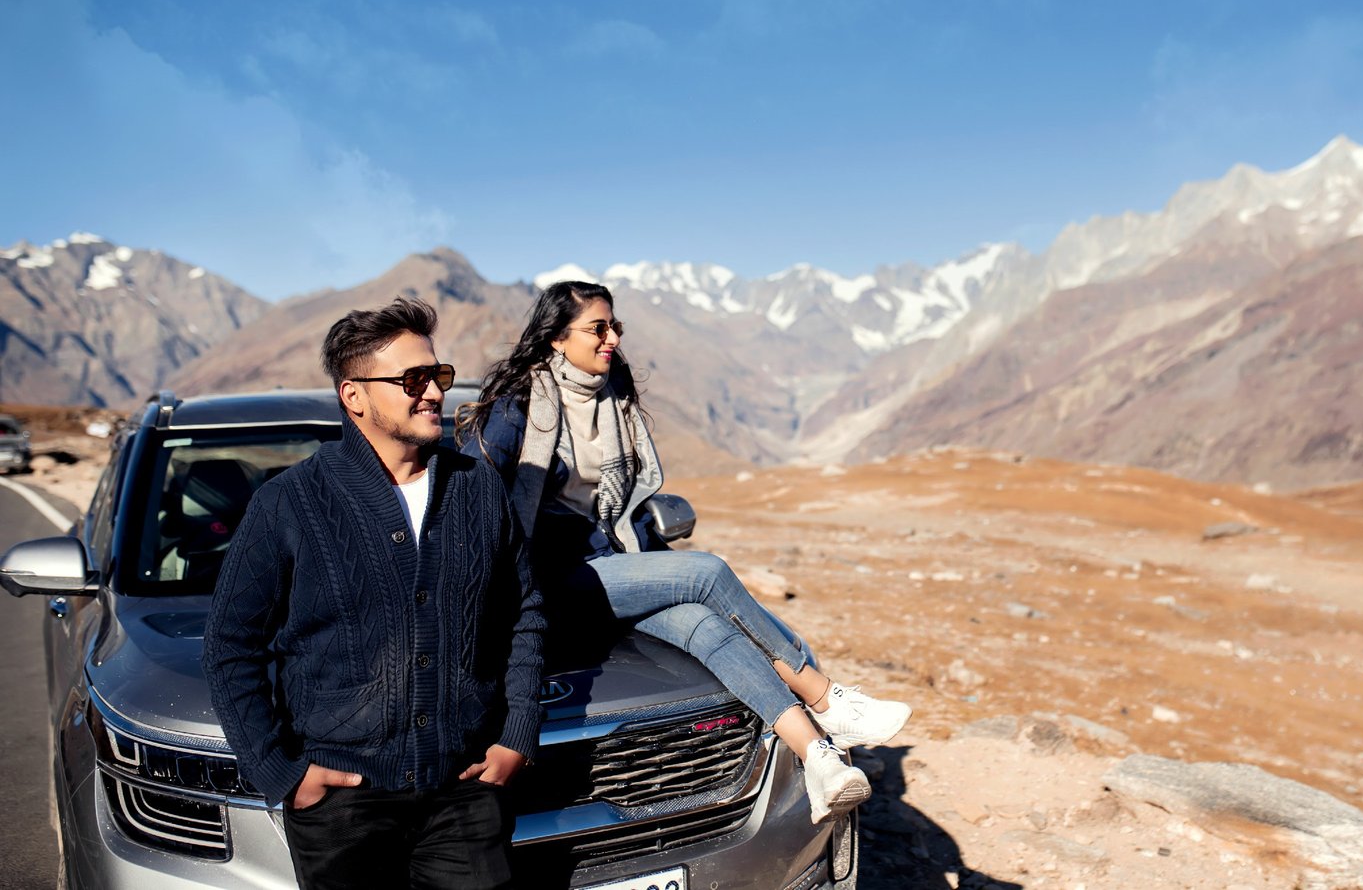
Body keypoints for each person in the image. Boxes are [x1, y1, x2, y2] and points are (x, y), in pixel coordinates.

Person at [458, 280, 910, 824]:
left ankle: (818, 760)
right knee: (706, 572)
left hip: (611, 568)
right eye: (598, 328)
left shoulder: (612, 395)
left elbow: (621, 504)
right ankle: (824, 697)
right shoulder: (519, 406)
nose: (611, 338)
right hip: (548, 580)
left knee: (705, 625)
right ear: (556, 337)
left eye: (615, 326)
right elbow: (469, 490)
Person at [205, 297, 545, 890]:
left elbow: (525, 614)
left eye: (438, 375)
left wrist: (518, 732)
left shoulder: (479, 490)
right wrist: (280, 772)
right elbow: (230, 646)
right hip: (342, 809)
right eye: (412, 379)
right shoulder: (289, 502)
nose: (434, 392)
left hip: (464, 795)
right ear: (354, 396)